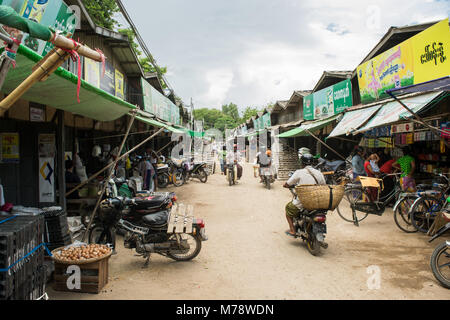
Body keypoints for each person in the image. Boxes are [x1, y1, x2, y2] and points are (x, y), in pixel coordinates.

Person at [283, 154, 326, 237]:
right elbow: (324, 185)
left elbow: (288, 183)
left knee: (288, 209)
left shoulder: (299, 172)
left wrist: (286, 185)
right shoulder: (319, 173)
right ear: (312, 163)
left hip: (303, 201)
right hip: (317, 201)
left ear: (302, 163)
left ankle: (292, 230)